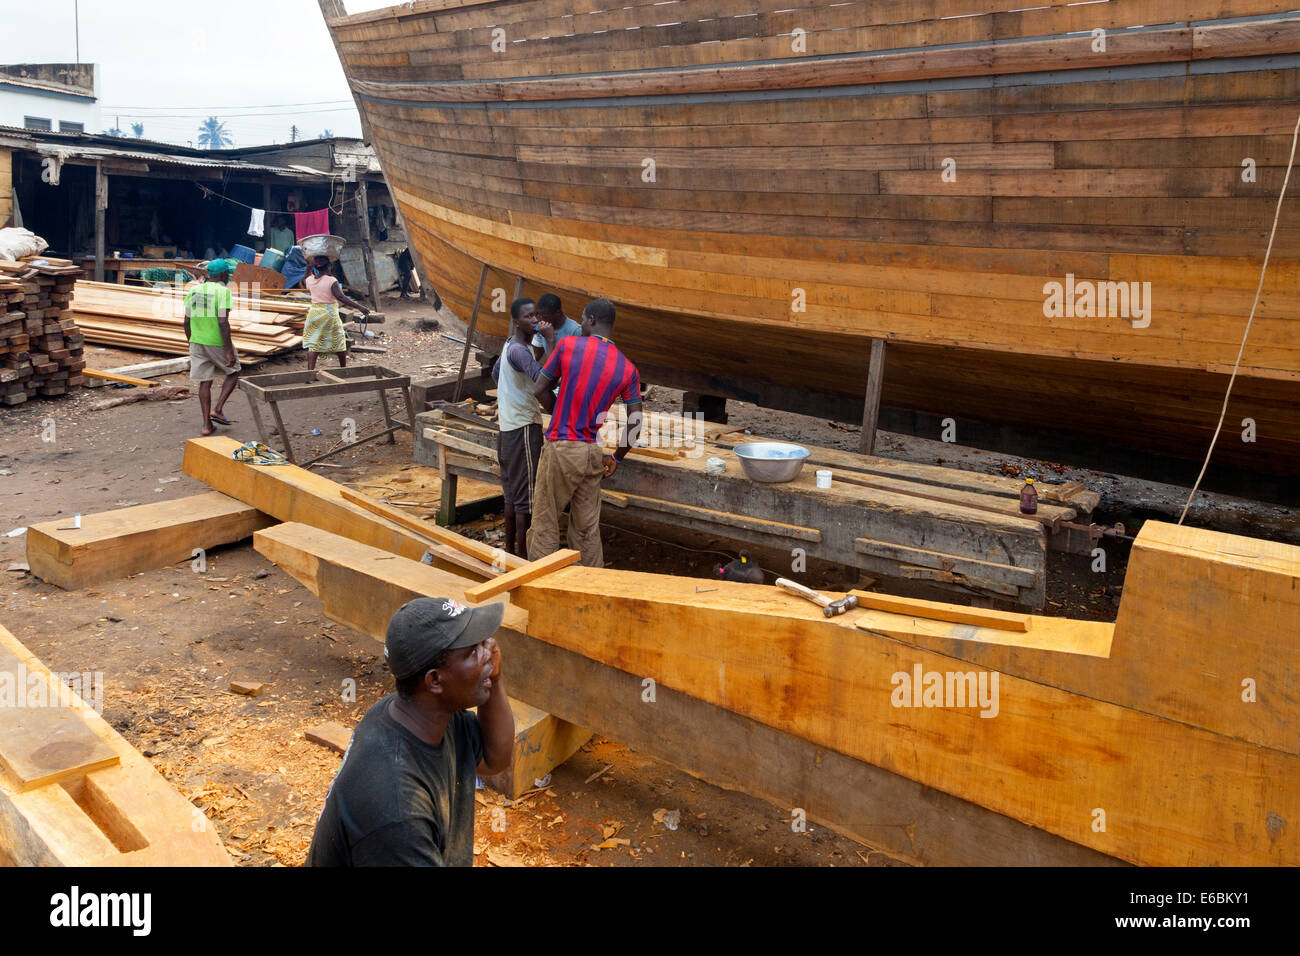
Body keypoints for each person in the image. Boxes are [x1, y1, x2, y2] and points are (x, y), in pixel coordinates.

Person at [305, 597, 514, 867]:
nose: (489, 651)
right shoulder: (397, 811)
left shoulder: (426, 716)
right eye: (474, 651)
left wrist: (493, 679)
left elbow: (494, 758)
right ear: (435, 680)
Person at [526, 298, 642, 568]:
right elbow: (636, 422)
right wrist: (617, 458)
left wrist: (561, 415)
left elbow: (539, 389)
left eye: (582, 319)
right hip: (592, 452)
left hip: (561, 448)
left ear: (590, 320)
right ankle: (591, 590)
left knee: (545, 523)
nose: (579, 324)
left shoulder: (568, 346)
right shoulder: (627, 368)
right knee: (587, 530)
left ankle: (539, 592)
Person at [491, 297, 554, 557]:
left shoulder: (510, 347)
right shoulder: (519, 350)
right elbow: (543, 378)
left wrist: (512, 392)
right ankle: (523, 557)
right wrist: (550, 341)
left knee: (511, 496)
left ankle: (509, 551)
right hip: (523, 429)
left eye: (537, 315)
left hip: (507, 427)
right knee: (526, 501)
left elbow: (496, 374)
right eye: (529, 316)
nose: (536, 320)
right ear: (516, 321)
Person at [183, 259, 240, 436]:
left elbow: (186, 320)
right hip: (216, 341)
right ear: (223, 274)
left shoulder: (194, 290)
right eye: (227, 273)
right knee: (234, 371)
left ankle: (206, 425)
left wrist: (190, 340)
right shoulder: (223, 292)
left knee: (204, 382)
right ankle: (218, 409)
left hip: (197, 340)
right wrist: (229, 350)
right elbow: (223, 322)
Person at [303, 254, 369, 370]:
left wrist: (308, 269)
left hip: (314, 314)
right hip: (328, 315)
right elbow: (341, 297)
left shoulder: (311, 280)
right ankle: (343, 369)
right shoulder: (332, 280)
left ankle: (309, 374)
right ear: (329, 266)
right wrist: (360, 307)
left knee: (314, 344)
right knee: (339, 341)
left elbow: (305, 279)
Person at [533, 293, 582, 361]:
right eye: (539, 314)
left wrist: (550, 339)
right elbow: (536, 356)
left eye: (545, 316)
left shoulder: (576, 331)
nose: (541, 319)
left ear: (557, 312)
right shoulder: (541, 327)